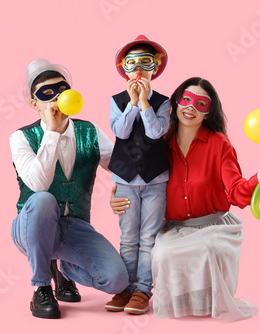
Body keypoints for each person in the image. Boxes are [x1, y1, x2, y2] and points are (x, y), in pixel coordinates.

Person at [110, 77, 260, 320]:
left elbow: (236, 192)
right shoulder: (161, 142)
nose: (191, 107)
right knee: (161, 253)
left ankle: (204, 300)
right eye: (186, 100)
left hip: (212, 225)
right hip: (175, 228)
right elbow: (139, 177)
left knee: (207, 248)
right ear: (176, 103)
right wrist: (118, 195)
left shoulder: (219, 144)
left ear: (208, 112)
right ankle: (153, 295)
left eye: (201, 103)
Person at [10, 58, 129, 319]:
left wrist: (121, 189)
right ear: (34, 103)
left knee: (117, 280)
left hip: (75, 227)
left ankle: (64, 269)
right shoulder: (20, 138)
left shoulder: (90, 132)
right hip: (30, 226)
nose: (56, 98)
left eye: (62, 90)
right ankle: (42, 287)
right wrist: (51, 133)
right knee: (43, 200)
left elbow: (125, 168)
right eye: (46, 94)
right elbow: (39, 184)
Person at [105, 35, 170, 315]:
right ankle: (125, 288)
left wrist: (144, 102)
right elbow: (120, 132)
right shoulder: (116, 100)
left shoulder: (166, 103)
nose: (139, 70)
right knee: (128, 237)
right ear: (124, 70)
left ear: (155, 68)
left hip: (155, 180)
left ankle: (143, 290)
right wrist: (132, 103)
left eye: (146, 63)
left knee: (149, 238)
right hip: (125, 180)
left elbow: (156, 133)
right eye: (132, 64)